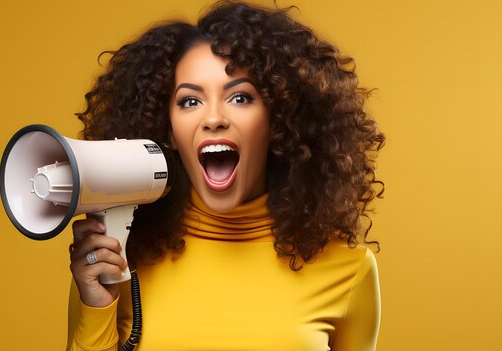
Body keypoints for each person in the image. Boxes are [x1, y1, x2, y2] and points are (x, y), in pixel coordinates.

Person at [66, 1, 385, 350]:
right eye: (190, 101)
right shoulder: (118, 262)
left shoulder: (349, 271)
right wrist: (98, 304)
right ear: (168, 129)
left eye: (240, 98)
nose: (214, 118)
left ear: (277, 120)